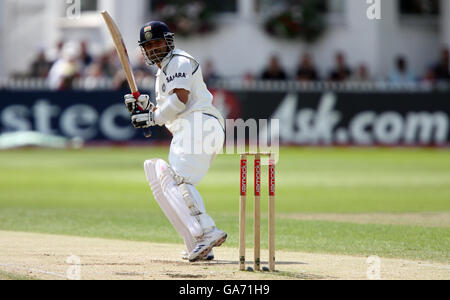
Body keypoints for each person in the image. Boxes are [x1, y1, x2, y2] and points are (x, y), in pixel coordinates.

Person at [124, 21, 227, 262]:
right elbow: (168, 110)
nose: (154, 48)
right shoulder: (163, 71)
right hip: (192, 127)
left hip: (199, 124)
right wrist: (147, 110)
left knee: (178, 179)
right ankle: (197, 243)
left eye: (158, 42)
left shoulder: (179, 60)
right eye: (149, 45)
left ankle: (207, 231)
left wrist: (152, 117)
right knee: (157, 172)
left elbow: (181, 100)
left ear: (169, 41)